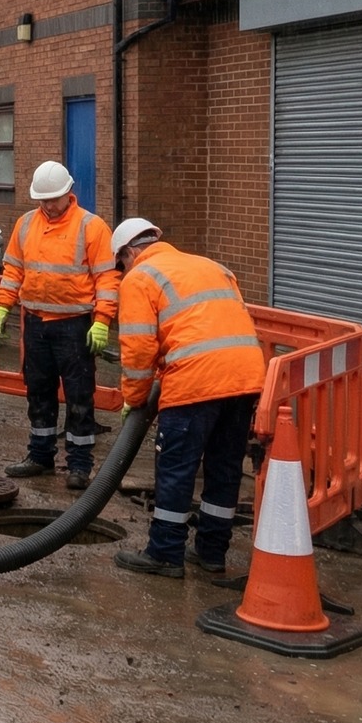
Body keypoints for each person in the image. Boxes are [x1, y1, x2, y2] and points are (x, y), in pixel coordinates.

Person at [108, 218, 267, 580]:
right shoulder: (212, 266)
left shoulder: (141, 278)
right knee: (225, 468)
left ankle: (165, 554)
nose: (122, 272)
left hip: (196, 381)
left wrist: (133, 400)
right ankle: (212, 552)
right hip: (245, 377)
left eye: (120, 265)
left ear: (129, 253)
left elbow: (137, 348)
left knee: (177, 469)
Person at [0, 161, 119, 491]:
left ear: (69, 193)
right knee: (38, 391)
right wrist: (3, 306)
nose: (49, 205)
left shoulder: (91, 227)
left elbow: (107, 278)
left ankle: (79, 464)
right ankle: (40, 455)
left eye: (54, 199)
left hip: (74, 325)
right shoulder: (25, 225)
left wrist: (103, 320)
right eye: (43, 200)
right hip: (36, 322)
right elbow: (13, 271)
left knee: (79, 395)